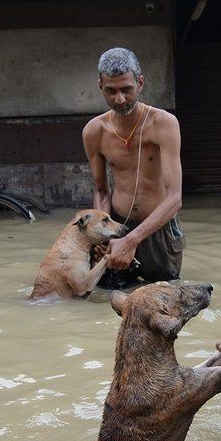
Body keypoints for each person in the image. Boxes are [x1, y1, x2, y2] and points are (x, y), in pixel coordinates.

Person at [82, 48, 185, 287]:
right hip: (116, 226)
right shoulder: (94, 131)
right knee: (108, 297)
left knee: (161, 296)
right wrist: (99, 234)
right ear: (100, 86)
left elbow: (175, 197)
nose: (119, 99)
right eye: (111, 91)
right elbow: (101, 191)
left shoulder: (164, 123)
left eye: (126, 89)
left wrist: (132, 240)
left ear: (140, 83)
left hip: (158, 230)